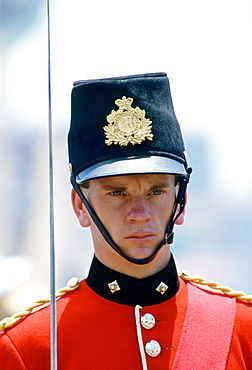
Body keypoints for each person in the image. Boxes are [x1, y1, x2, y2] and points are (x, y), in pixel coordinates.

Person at [0, 72, 251, 369]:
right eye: (117, 193)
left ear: (181, 201)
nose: (139, 214)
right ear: (80, 206)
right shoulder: (27, 347)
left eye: (156, 191)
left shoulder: (242, 329)